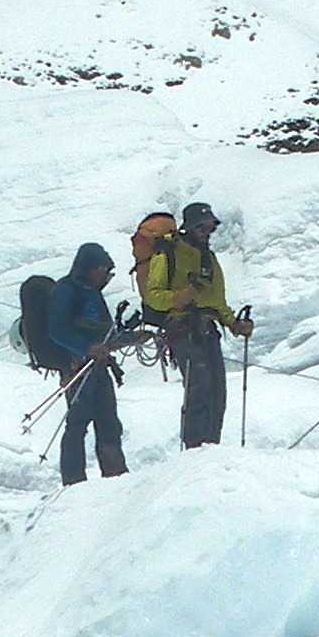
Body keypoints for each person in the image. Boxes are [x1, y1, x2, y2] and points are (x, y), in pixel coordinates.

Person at [139, 198, 251, 448]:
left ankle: (210, 447)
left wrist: (234, 324)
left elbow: (217, 300)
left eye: (211, 228)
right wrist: (179, 297)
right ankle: (194, 450)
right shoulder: (167, 252)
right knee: (200, 385)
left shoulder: (208, 258)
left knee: (217, 391)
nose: (208, 233)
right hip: (181, 328)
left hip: (208, 329)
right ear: (188, 227)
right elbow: (153, 296)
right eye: (203, 228)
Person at [45, 241, 131, 485]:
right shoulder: (67, 290)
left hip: (97, 367)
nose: (104, 274)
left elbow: (104, 333)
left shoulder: (90, 291)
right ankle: (73, 481)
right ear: (88, 266)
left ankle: (115, 476)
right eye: (101, 268)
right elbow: (57, 329)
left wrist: (129, 339)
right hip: (76, 367)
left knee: (108, 422)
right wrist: (86, 348)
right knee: (78, 422)